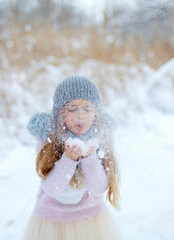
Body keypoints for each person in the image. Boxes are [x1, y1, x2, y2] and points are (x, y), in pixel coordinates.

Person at [24, 76, 123, 240]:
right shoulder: (48, 137)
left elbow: (98, 189)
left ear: (96, 111)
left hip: (90, 220)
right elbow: (52, 189)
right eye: (72, 109)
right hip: (52, 222)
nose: (80, 116)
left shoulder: (100, 135)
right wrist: (69, 159)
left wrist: (89, 156)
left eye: (87, 109)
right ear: (60, 112)